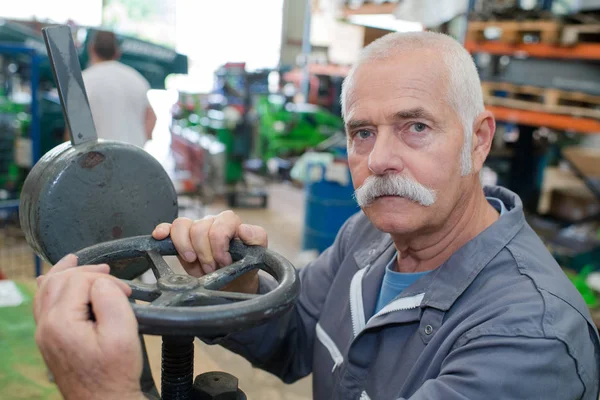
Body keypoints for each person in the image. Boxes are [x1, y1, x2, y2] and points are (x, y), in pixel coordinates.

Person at [35, 32, 600, 399]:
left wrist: (104, 393)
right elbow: (294, 344)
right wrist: (238, 278)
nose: (379, 160)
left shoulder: (531, 335)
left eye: (416, 126)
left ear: (478, 141)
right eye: (361, 132)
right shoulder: (367, 236)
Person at [65, 30, 157, 148]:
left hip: (98, 161)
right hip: (135, 157)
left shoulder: (83, 81)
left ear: (91, 49)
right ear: (117, 52)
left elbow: (74, 129)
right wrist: (140, 141)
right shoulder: (137, 79)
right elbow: (151, 118)